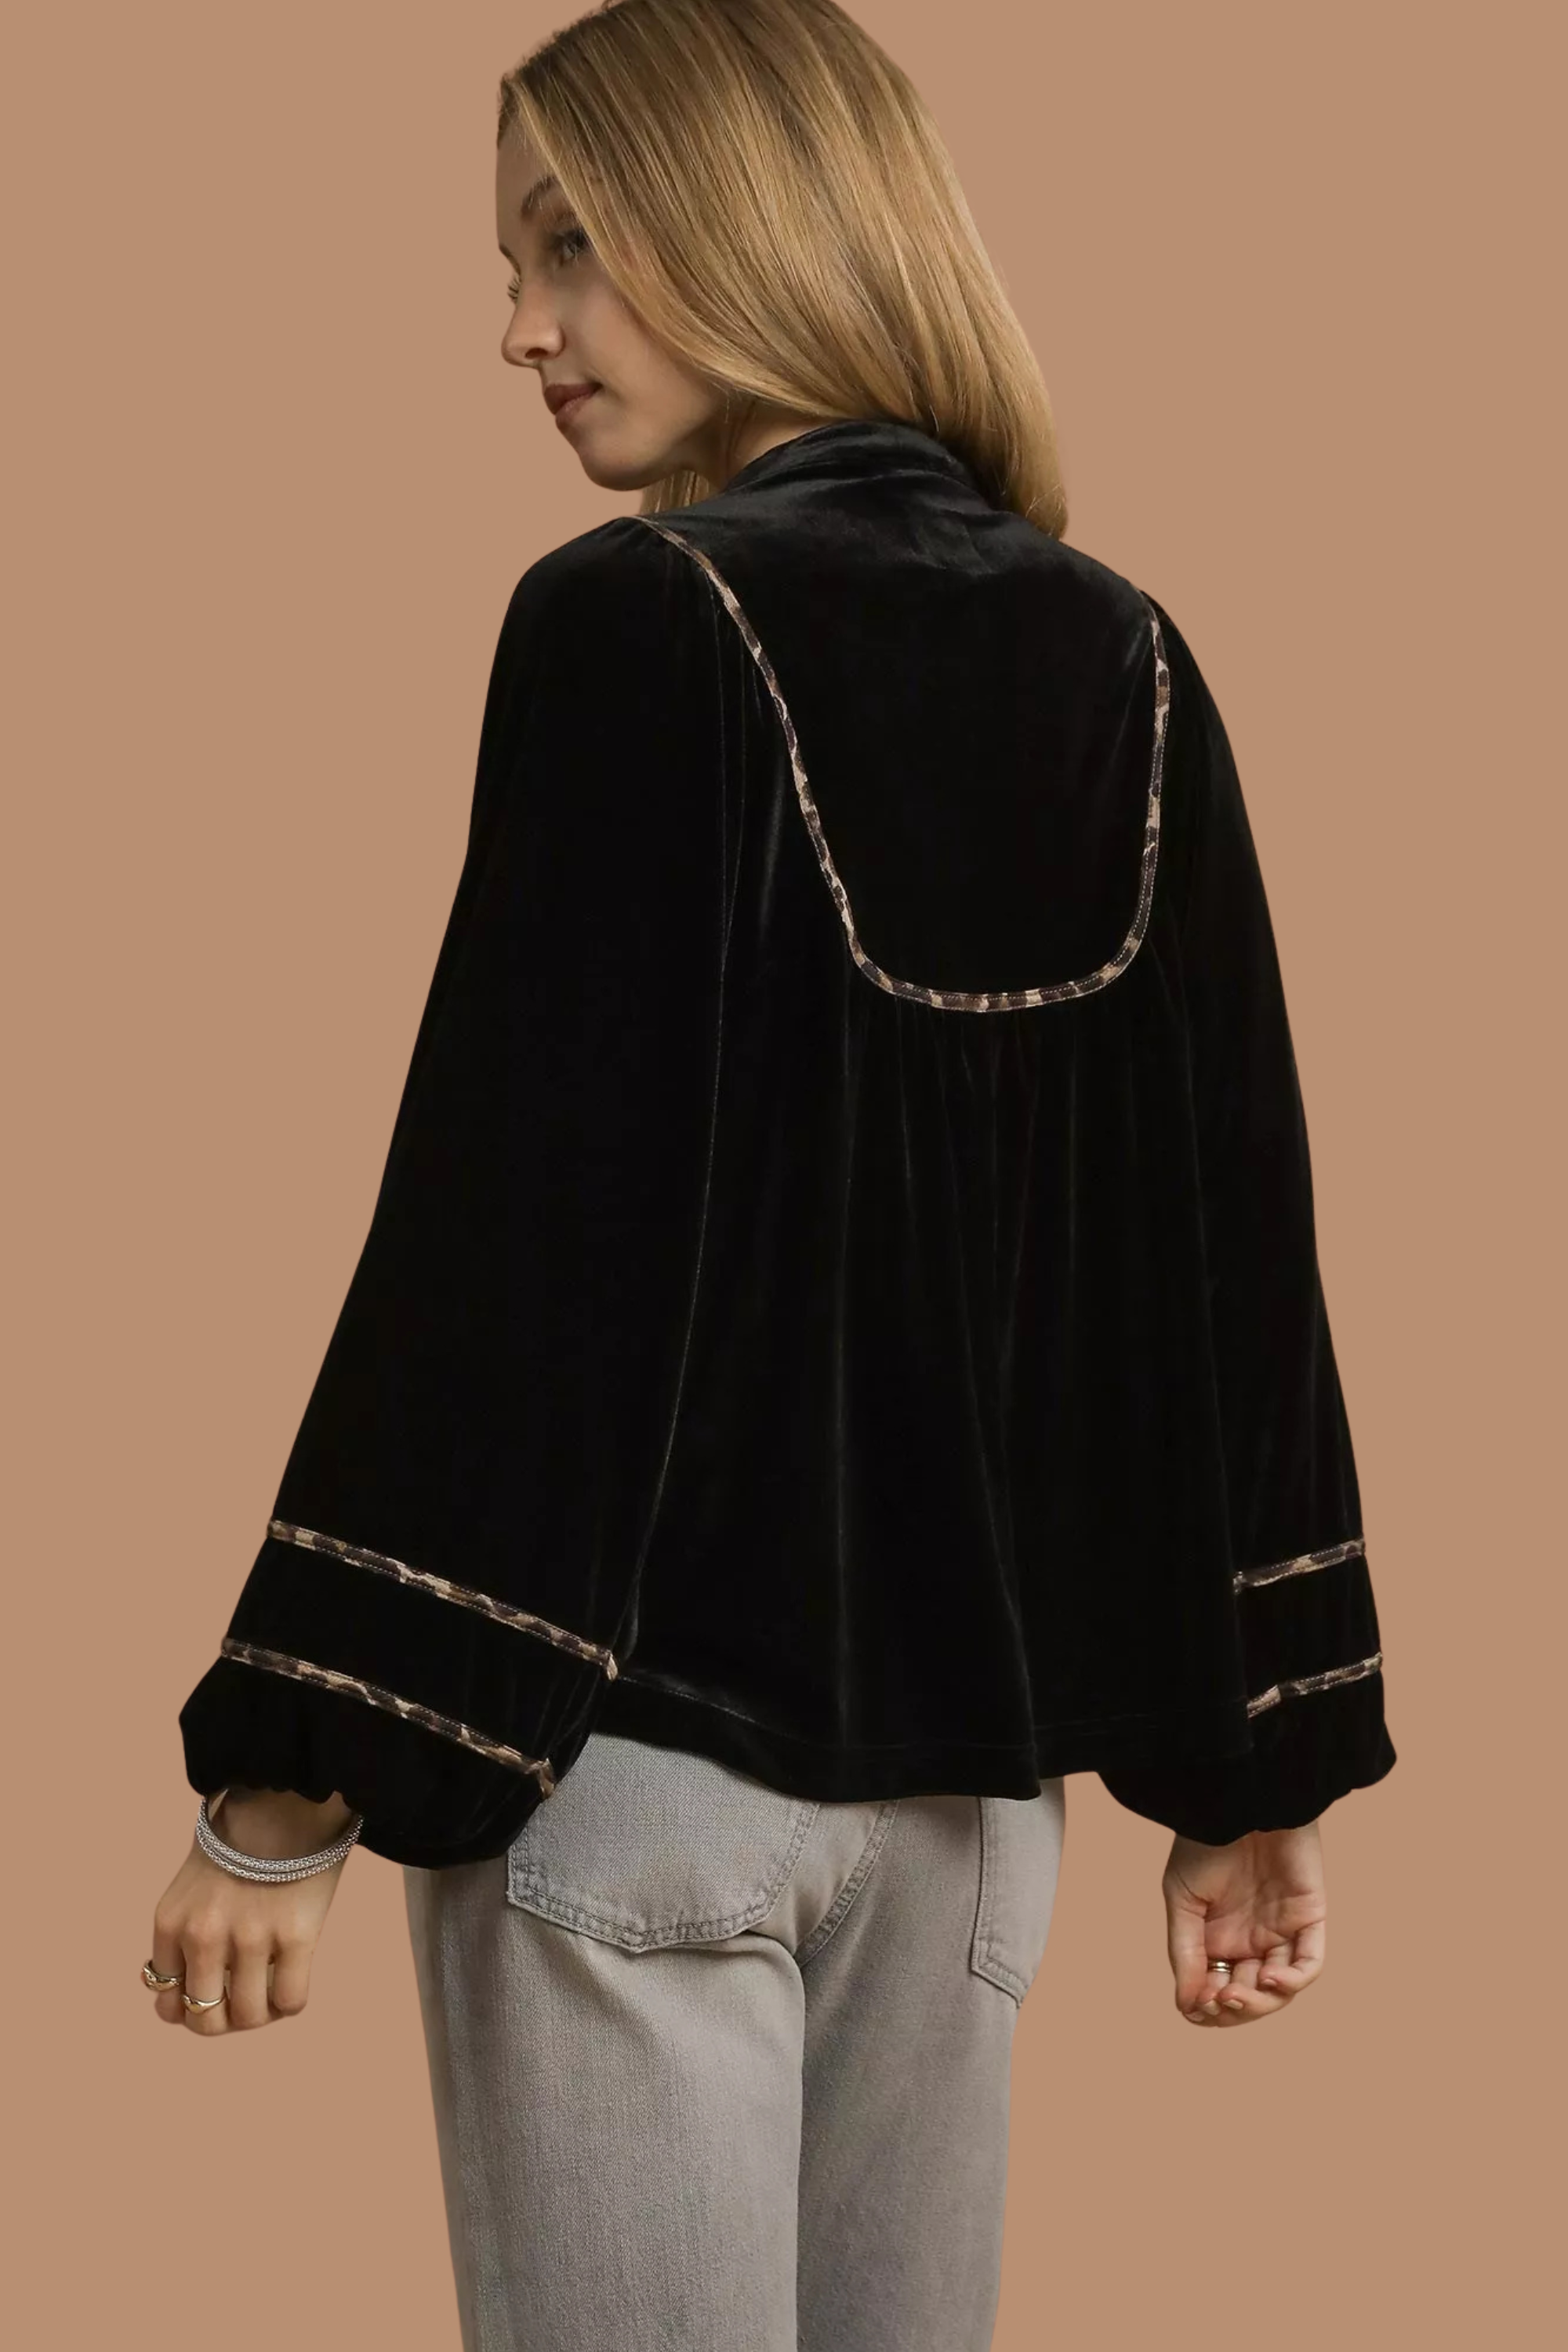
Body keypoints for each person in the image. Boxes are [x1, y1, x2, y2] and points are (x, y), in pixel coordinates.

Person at [145, 3, 1396, 2345]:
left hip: (640, 1784)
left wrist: (288, 1780)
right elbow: (1224, 1246)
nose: (520, 328)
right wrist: (1262, 1768)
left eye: (570, 246)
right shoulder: (1126, 656)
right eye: (513, 264)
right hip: (974, 1827)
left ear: (752, 223)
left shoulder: (641, 619)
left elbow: (521, 1232)